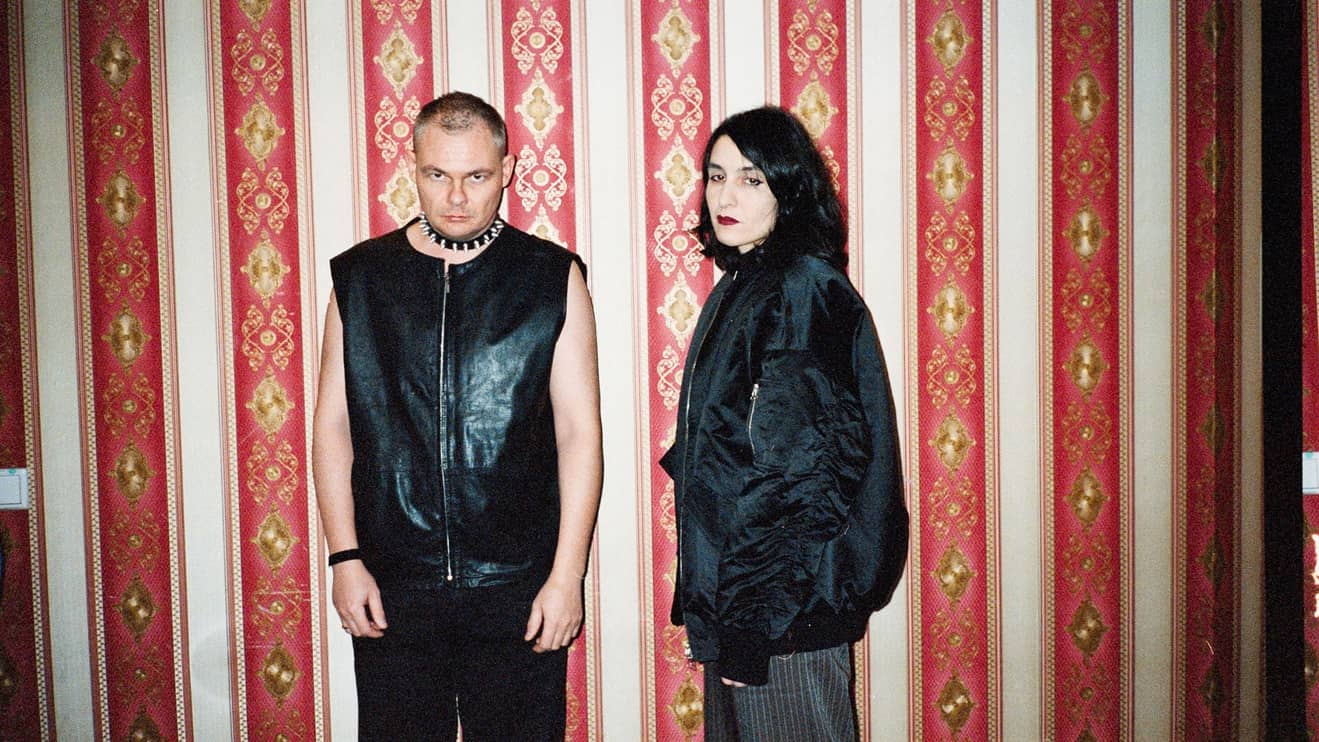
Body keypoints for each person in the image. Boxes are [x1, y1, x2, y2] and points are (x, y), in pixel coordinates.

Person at [312, 91, 602, 741]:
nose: (456, 197)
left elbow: (579, 433)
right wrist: (344, 558)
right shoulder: (361, 280)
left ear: (507, 171)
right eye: (436, 174)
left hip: (518, 584)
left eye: (476, 176)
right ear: (413, 168)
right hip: (392, 583)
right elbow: (333, 426)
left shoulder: (551, 278)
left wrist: (567, 576)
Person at [660, 106, 908, 741]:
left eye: (751, 179)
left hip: (784, 617)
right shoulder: (748, 284)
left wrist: (751, 628)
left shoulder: (800, 290)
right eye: (716, 177)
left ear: (788, 189)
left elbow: (802, 476)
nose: (726, 197)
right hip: (751, 608)